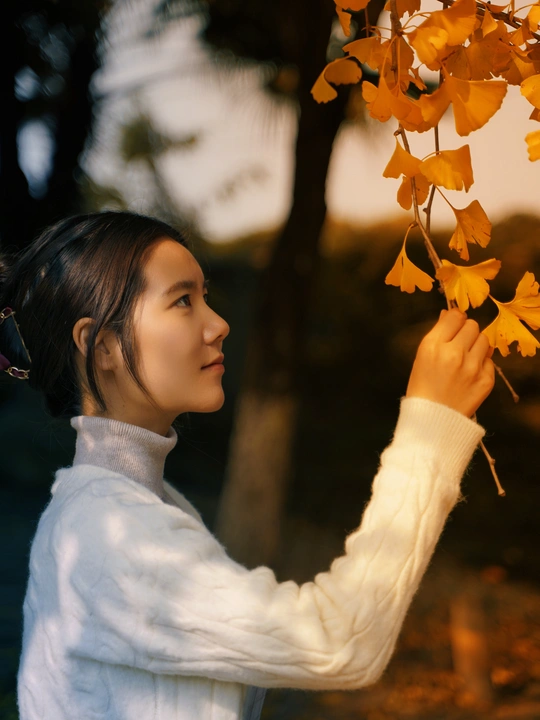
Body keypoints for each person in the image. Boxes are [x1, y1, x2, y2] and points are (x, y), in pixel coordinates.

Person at [1, 211, 494, 720]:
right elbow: (339, 642)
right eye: (183, 300)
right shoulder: (107, 532)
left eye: (205, 296)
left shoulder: (142, 508)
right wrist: (429, 431)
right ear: (102, 346)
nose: (219, 324)